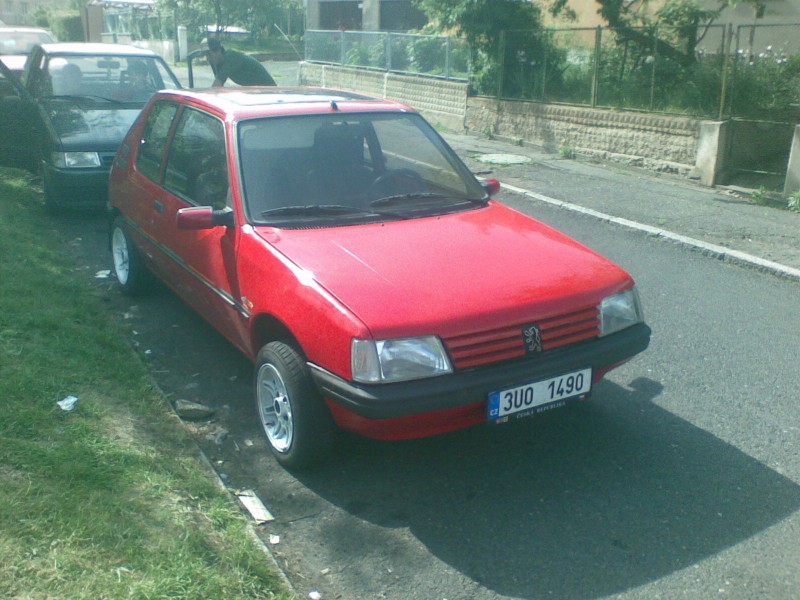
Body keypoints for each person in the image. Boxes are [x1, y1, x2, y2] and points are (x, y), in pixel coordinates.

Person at [206, 38, 276, 87]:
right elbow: (218, 86)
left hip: (268, 90)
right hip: (254, 90)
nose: (207, 58)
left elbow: (217, 86)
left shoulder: (231, 57)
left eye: (209, 54)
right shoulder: (219, 63)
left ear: (218, 51)